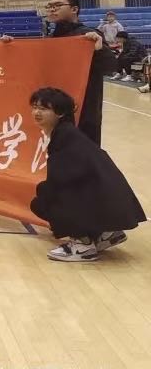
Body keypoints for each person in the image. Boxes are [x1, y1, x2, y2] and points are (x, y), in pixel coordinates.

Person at [28, 87, 145, 262]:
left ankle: (82, 245)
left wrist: (45, 194)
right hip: (114, 201)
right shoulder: (67, 133)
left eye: (44, 109)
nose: (37, 112)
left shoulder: (65, 137)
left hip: (107, 202)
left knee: (44, 200)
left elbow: (62, 181)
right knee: (54, 191)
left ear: (60, 113)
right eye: (35, 107)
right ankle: (106, 233)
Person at [3, 0, 115, 146]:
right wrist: (12, 48)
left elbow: (110, 67)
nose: (52, 9)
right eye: (49, 6)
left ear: (74, 9)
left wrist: (99, 49)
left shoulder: (89, 36)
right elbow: (34, 66)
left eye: (57, 5)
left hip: (83, 110)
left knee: (82, 152)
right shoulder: (51, 40)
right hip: (54, 110)